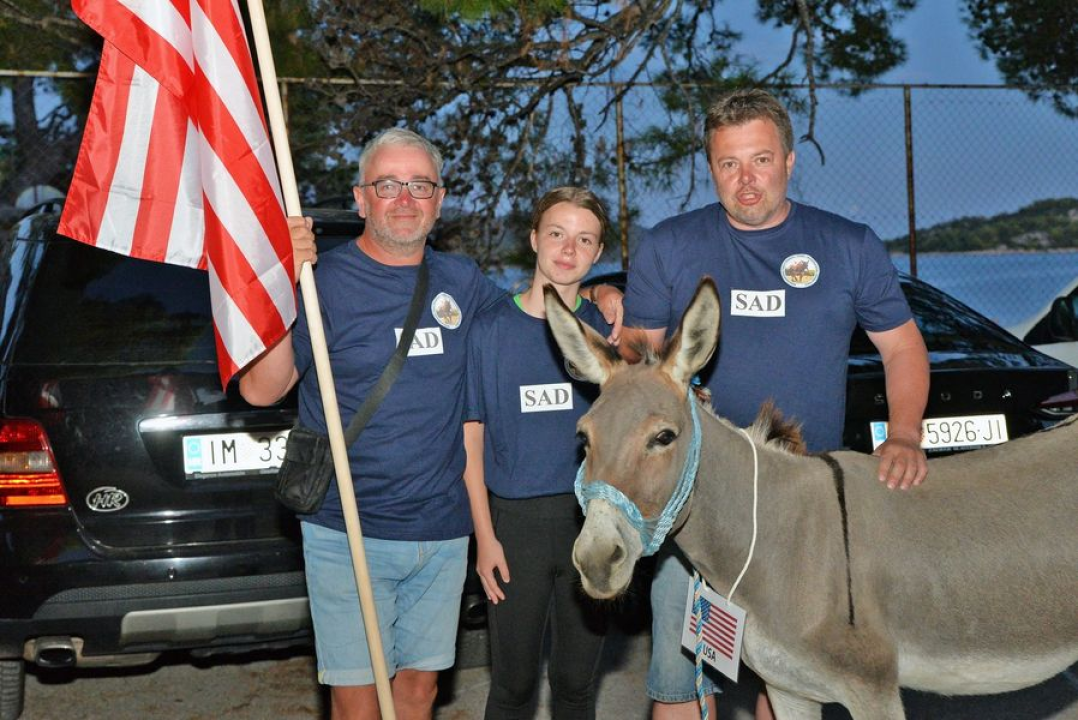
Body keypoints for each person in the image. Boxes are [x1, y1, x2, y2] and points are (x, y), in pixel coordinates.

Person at [239, 129, 623, 720]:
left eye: (419, 185)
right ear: (361, 197)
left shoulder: (462, 281)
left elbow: (534, 308)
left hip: (441, 532)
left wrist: (600, 292)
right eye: (387, 185)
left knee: (418, 694)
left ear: (439, 200)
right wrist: (279, 282)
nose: (404, 198)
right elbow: (261, 389)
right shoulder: (325, 283)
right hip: (348, 528)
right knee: (358, 704)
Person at [620, 88, 930, 719]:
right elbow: (636, 363)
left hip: (805, 507)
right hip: (694, 503)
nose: (746, 179)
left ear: (790, 160)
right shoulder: (668, 247)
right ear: (710, 168)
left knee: (792, 677)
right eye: (728, 164)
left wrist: (903, 435)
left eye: (760, 160)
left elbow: (903, 349)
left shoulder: (847, 244)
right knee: (682, 680)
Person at [463, 187, 613, 719]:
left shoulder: (606, 334)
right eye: (556, 233)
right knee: (513, 685)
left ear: (597, 255)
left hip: (589, 523)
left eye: (584, 239)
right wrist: (485, 539)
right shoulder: (489, 331)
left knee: (575, 685)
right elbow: (471, 443)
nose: (568, 249)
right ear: (533, 240)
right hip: (514, 527)